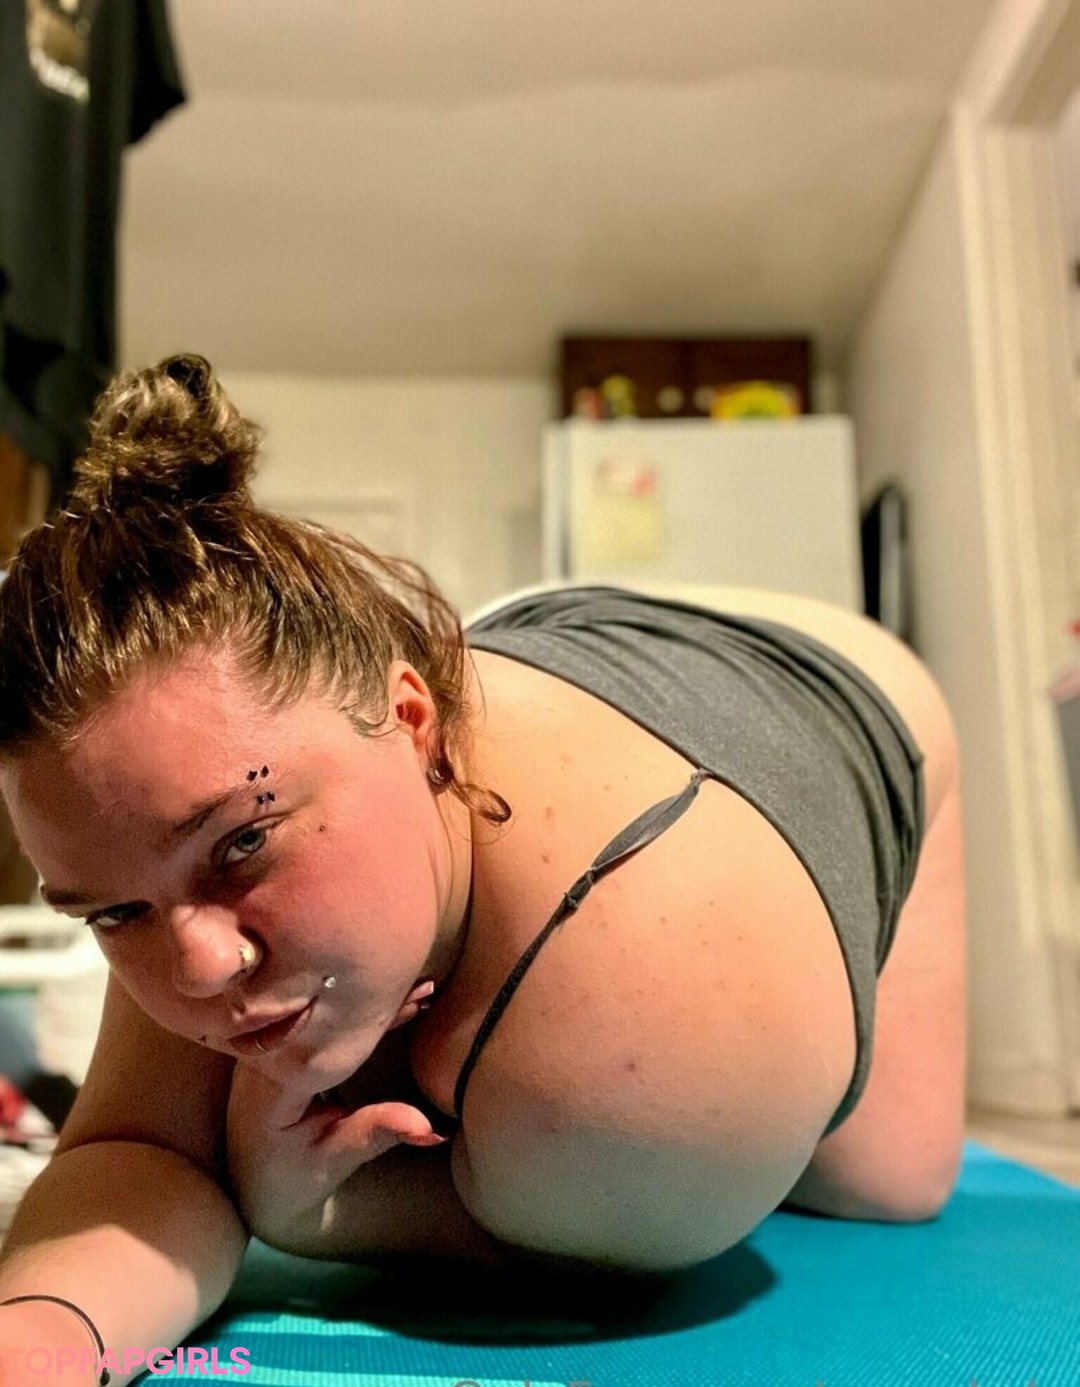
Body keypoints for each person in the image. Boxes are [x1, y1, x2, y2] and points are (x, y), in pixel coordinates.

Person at [0, 355, 967, 1384]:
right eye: (113, 912)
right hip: (549, 646)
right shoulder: (185, 798)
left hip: (838, 686)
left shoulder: (656, 1046)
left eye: (244, 843)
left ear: (413, 721)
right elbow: (141, 1154)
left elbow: (480, 1224)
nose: (198, 967)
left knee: (886, 1179)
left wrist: (314, 1212)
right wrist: (37, 1343)